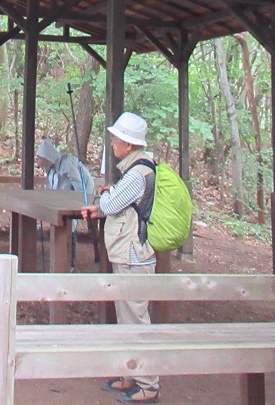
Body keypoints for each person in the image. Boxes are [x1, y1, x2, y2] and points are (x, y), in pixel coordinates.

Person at [81, 112, 160, 404]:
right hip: (128, 253)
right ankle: (131, 373)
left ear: (128, 144)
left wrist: (102, 199)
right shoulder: (136, 171)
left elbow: (114, 203)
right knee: (126, 317)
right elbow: (120, 205)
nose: (113, 143)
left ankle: (149, 383)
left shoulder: (137, 173)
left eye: (117, 138)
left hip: (133, 255)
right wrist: (103, 204)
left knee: (136, 319)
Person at [36, 136, 100, 265]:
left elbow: (78, 183)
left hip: (82, 191)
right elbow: (52, 185)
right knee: (63, 223)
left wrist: (79, 202)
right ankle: (68, 258)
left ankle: (86, 255)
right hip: (65, 194)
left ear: (47, 157)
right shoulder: (49, 168)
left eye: (39, 158)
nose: (37, 161)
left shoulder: (67, 162)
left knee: (78, 223)